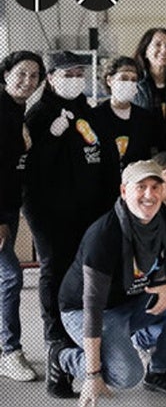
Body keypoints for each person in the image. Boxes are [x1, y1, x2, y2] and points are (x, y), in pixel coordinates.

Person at [51, 160, 166, 405]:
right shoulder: (103, 235)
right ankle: (62, 356)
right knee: (125, 376)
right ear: (124, 191)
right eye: (141, 187)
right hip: (87, 311)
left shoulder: (163, 217)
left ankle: (158, 371)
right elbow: (92, 307)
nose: (149, 195)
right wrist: (92, 374)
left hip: (131, 300)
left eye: (156, 187)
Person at [24, 51, 109, 349]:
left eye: (78, 75)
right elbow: (29, 166)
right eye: (67, 75)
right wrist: (50, 138)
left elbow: (104, 155)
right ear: (50, 78)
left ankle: (79, 326)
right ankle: (54, 333)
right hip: (49, 209)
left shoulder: (90, 112)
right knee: (54, 267)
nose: (75, 80)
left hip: (87, 207)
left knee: (83, 267)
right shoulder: (38, 114)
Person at [0, 51, 44, 382]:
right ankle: (9, 351)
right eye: (21, 73)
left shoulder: (17, 109)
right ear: (6, 73)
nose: (27, 80)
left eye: (34, 76)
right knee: (11, 276)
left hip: (9, 205)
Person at [93, 56, 161, 199]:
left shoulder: (145, 118)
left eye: (133, 79)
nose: (129, 83)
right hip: (101, 190)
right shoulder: (95, 116)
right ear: (109, 80)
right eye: (124, 78)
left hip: (137, 191)